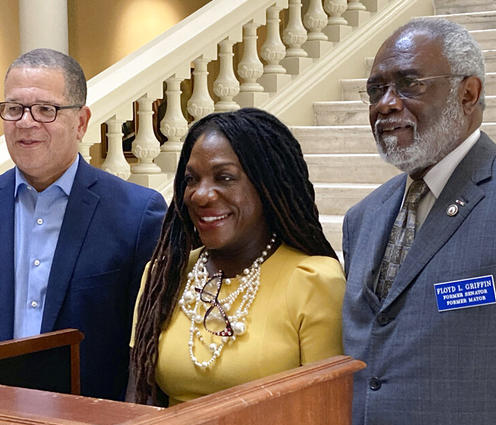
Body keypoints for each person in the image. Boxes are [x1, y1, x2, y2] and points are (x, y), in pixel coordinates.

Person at [342, 17, 496, 425]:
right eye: (376, 90)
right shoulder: (362, 219)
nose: (387, 105)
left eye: (409, 84)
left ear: (467, 93)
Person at [0, 48, 167, 400]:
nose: (26, 122)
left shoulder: (137, 216)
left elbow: (147, 355)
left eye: (45, 110)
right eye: (14, 109)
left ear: (80, 122)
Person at [130, 108, 344, 406]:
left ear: (268, 185)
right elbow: (139, 395)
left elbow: (325, 413)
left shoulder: (313, 280)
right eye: (192, 179)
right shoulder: (163, 278)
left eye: (225, 177)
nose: (201, 195)